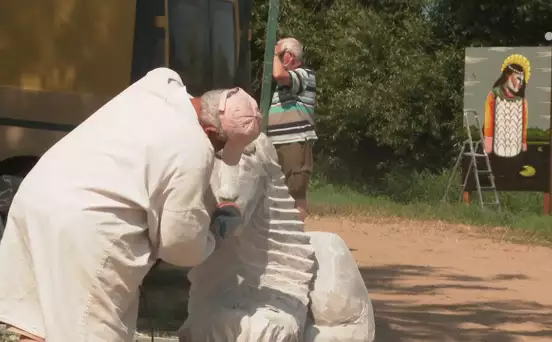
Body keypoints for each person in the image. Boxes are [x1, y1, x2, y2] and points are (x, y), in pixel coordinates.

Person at [0, 67, 261, 342]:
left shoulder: (159, 85)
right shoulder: (195, 148)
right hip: (84, 228)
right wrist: (216, 230)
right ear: (210, 131)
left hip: (37, 196)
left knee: (38, 324)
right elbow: (179, 245)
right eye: (220, 146)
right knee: (87, 331)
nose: (218, 153)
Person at [268, 37, 317, 221]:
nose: (276, 60)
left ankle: (297, 236)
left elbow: (279, 75)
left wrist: (273, 54)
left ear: (289, 56)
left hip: (294, 142)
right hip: (277, 142)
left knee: (296, 193)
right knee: (278, 193)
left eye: (279, 55)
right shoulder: (283, 84)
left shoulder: (304, 75)